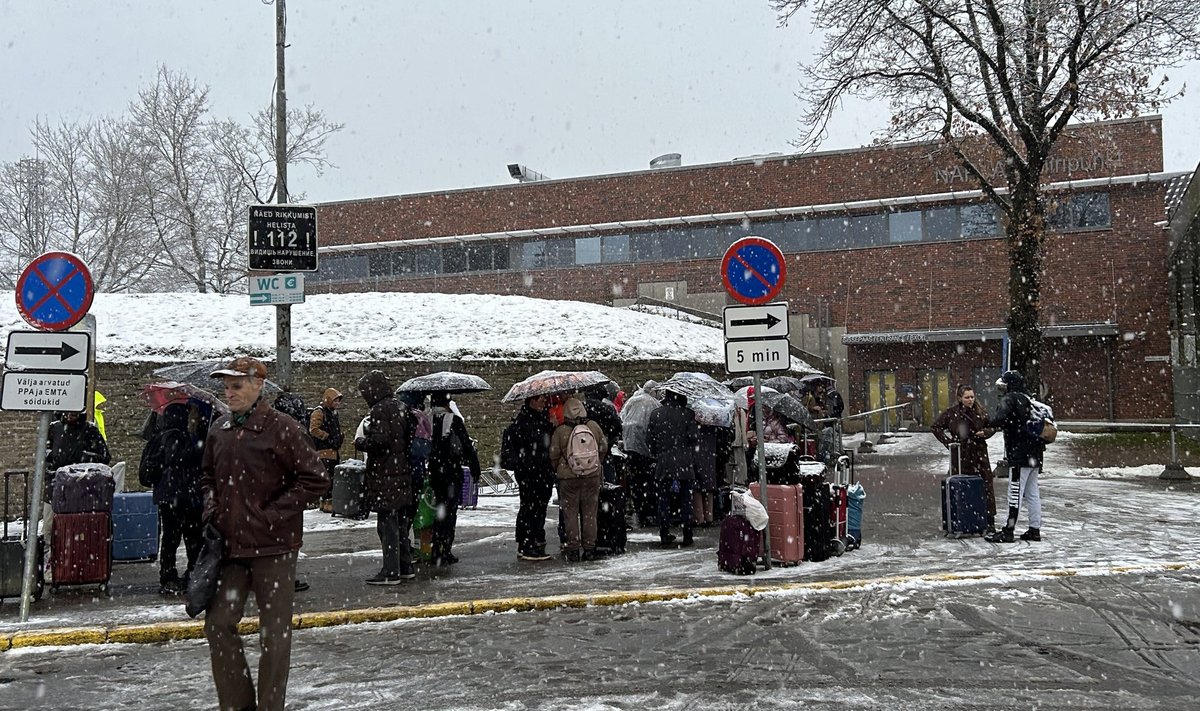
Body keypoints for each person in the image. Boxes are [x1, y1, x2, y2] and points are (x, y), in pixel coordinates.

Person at [200, 356, 327, 711]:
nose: (229, 393)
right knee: (218, 624)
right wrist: (211, 508)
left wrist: (273, 514)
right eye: (226, 386)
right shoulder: (220, 430)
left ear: (258, 386)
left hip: (274, 548)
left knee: (274, 636)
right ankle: (237, 704)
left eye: (236, 386)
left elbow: (315, 480)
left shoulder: (282, 428)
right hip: (231, 548)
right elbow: (207, 477)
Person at [355, 370, 416, 583]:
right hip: (401, 473)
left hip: (385, 477)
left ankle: (390, 571)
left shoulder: (380, 410)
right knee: (400, 524)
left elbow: (380, 441)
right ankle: (405, 566)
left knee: (386, 525)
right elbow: (406, 439)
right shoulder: (400, 406)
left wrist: (362, 442)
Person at [138, 403, 204, 595]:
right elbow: (182, 459)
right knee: (190, 536)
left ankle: (169, 574)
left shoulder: (158, 437)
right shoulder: (177, 437)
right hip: (183, 495)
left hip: (167, 497)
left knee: (171, 537)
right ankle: (186, 572)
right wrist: (198, 443)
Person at [984, 370, 1045, 543]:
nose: (1002, 389)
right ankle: (1034, 529)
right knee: (1033, 493)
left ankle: (1008, 531)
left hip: (1019, 455)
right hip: (1035, 454)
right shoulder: (1028, 399)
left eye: (1004, 385)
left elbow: (998, 419)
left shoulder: (1010, 399)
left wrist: (986, 421)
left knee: (1015, 492)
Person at [43, 410, 111, 558]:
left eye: (75, 412)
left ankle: (79, 560)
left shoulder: (90, 429)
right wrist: (53, 458)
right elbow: (44, 453)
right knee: (50, 527)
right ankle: (52, 561)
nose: (71, 415)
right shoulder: (54, 428)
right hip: (55, 486)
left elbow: (105, 457)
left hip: (82, 488)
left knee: (79, 527)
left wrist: (84, 457)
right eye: (68, 412)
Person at [549, 397, 608, 561]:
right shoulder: (593, 426)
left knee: (570, 514)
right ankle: (589, 548)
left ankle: (573, 549)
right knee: (590, 514)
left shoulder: (561, 431)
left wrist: (561, 467)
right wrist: (595, 463)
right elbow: (603, 447)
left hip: (568, 479)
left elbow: (553, 454)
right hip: (591, 476)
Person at [931, 385, 997, 531]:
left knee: (985, 485)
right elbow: (936, 427)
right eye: (967, 397)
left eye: (972, 397)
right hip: (960, 453)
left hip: (979, 453)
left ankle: (989, 520)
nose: (970, 400)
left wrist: (985, 432)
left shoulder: (981, 412)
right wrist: (948, 443)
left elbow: (993, 426)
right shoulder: (952, 413)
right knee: (959, 485)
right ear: (960, 398)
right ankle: (960, 518)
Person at [427, 392, 481, 567]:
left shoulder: (426, 419)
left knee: (439, 510)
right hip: (451, 471)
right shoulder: (453, 420)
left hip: (435, 471)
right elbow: (466, 446)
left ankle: (435, 549)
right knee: (450, 512)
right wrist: (475, 468)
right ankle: (445, 549)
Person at [500, 394, 556, 561]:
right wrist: (525, 465)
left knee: (538, 507)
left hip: (541, 471)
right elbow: (533, 445)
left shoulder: (540, 420)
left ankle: (533, 540)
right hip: (531, 472)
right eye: (541, 400)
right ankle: (526, 544)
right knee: (530, 507)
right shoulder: (523, 423)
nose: (544, 402)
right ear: (532, 401)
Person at [646, 389, 696, 548]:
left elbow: (649, 440)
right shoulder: (688, 414)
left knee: (663, 500)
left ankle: (664, 533)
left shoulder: (656, 414)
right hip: (684, 463)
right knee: (686, 501)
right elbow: (694, 438)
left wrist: (658, 453)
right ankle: (688, 534)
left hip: (664, 463)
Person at [309, 388, 345, 513]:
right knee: (327, 478)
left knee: (331, 477)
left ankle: (326, 501)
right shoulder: (319, 412)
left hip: (332, 450)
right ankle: (326, 501)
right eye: (335, 401)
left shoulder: (332, 413)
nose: (337, 404)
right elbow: (314, 429)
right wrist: (327, 437)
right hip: (324, 451)